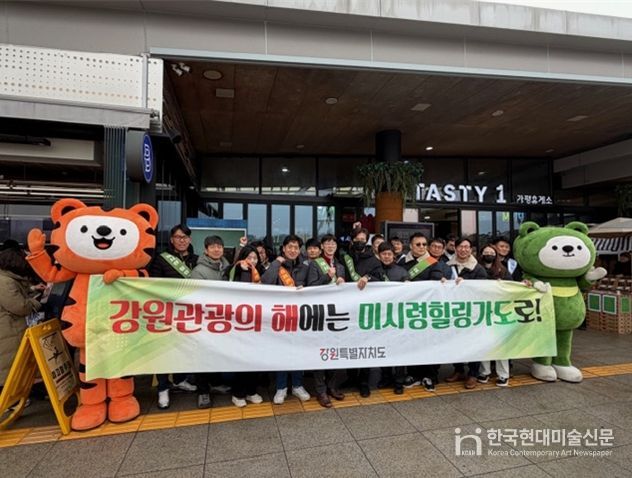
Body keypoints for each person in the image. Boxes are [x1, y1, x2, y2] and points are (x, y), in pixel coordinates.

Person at [148, 224, 198, 409]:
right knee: (163, 351)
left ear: (190, 240)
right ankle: (163, 388)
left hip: (189, 313)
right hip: (166, 312)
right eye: (178, 237)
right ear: (172, 239)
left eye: (185, 237)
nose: (182, 240)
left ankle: (179, 379)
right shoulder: (161, 260)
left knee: (184, 348)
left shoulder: (196, 260)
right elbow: (154, 284)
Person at [396, 233, 448, 393]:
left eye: (424, 244)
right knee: (411, 342)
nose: (421, 247)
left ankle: (430, 375)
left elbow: (434, 283)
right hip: (408, 309)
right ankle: (413, 374)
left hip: (427, 310)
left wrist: (411, 284)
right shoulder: (402, 262)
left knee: (429, 342)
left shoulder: (433, 262)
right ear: (411, 246)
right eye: (418, 244)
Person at [262, 235, 311, 405]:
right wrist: (276, 263)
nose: (293, 250)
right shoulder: (275, 265)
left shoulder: (305, 266)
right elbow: (265, 282)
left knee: (298, 351)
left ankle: (297, 385)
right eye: (290, 247)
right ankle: (281, 387)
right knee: (281, 351)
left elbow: (314, 286)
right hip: (280, 316)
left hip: (299, 316)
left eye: (296, 247)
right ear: (283, 248)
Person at [189, 236, 231, 408]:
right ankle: (203, 391)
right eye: (212, 247)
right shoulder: (199, 271)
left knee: (217, 353)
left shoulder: (227, 267)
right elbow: (195, 297)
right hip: (204, 320)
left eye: (219, 246)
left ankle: (215, 383)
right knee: (202, 355)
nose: (216, 249)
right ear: (206, 250)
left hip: (222, 320)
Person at [306, 234, 346, 408]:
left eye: (333, 243)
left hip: (336, 314)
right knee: (320, 353)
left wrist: (342, 280)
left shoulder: (340, 266)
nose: (330, 246)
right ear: (322, 246)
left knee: (334, 352)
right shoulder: (315, 264)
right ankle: (320, 390)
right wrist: (327, 277)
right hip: (320, 314)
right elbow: (311, 286)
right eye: (327, 243)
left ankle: (332, 386)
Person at [343, 227, 383, 397]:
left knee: (365, 343)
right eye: (357, 239)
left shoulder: (373, 259)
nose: (360, 242)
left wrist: (368, 277)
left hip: (366, 308)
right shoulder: (344, 257)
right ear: (352, 240)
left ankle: (364, 381)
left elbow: (380, 277)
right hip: (347, 307)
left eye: (363, 239)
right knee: (349, 343)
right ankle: (351, 377)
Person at [445, 237, 488, 389]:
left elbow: (482, 289)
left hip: (472, 313)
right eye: (460, 247)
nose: (463, 250)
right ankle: (458, 370)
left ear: (471, 250)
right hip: (453, 311)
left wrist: (467, 284)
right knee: (454, 342)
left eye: (466, 247)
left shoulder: (478, 268)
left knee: (473, 343)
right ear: (455, 248)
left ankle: (473, 374)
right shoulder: (447, 266)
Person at [226, 245, 266, 408]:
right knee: (242, 359)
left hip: (257, 322)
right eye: (249, 257)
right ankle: (238, 393)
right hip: (239, 323)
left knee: (255, 358)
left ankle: (251, 391)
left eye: (255, 258)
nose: (252, 261)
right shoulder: (233, 270)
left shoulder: (261, 272)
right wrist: (243, 272)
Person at [0, 246, 42, 390]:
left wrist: (31, 290)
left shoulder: (5, 278)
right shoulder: (5, 282)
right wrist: (36, 303)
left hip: (8, 327)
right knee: (10, 364)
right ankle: (10, 396)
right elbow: (20, 307)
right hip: (9, 329)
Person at [476, 244, 512, 387]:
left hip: (499, 311)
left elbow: (512, 285)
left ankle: (503, 375)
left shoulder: (502, 270)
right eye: (486, 252)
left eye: (491, 252)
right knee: (483, 343)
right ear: (481, 254)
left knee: (501, 343)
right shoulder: (476, 268)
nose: (489, 254)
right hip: (481, 311)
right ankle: (484, 372)